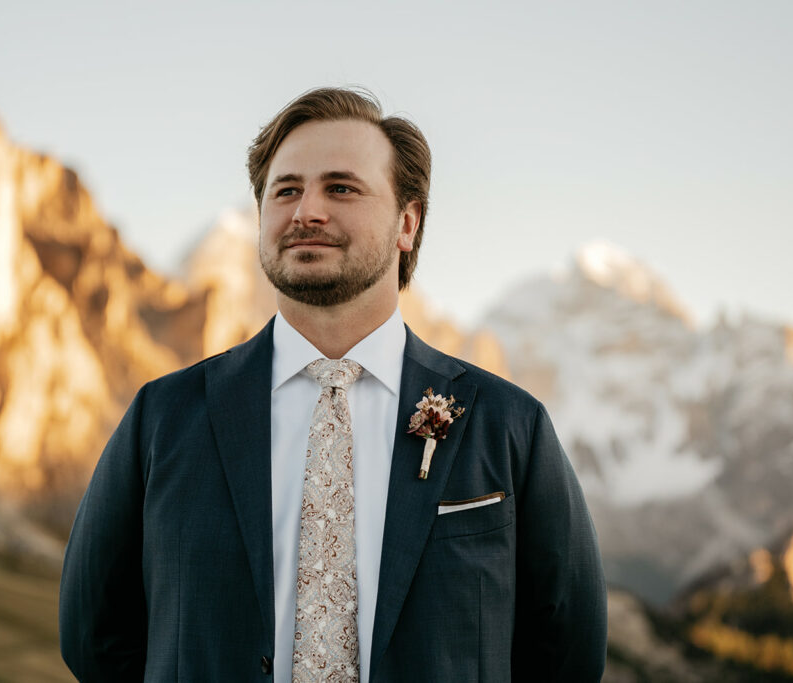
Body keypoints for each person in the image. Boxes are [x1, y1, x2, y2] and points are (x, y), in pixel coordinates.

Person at [59, 87, 607, 682]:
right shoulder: (161, 418)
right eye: (286, 190)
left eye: (340, 188)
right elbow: (94, 635)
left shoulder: (509, 425)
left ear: (407, 222)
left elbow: (568, 655)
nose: (306, 212)